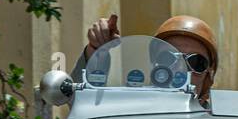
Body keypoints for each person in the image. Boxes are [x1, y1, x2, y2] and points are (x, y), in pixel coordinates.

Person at [80, 13, 218, 105]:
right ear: (154, 65)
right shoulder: (127, 110)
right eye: (168, 58)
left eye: (196, 62)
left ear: (208, 75)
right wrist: (96, 51)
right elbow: (86, 103)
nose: (179, 69)